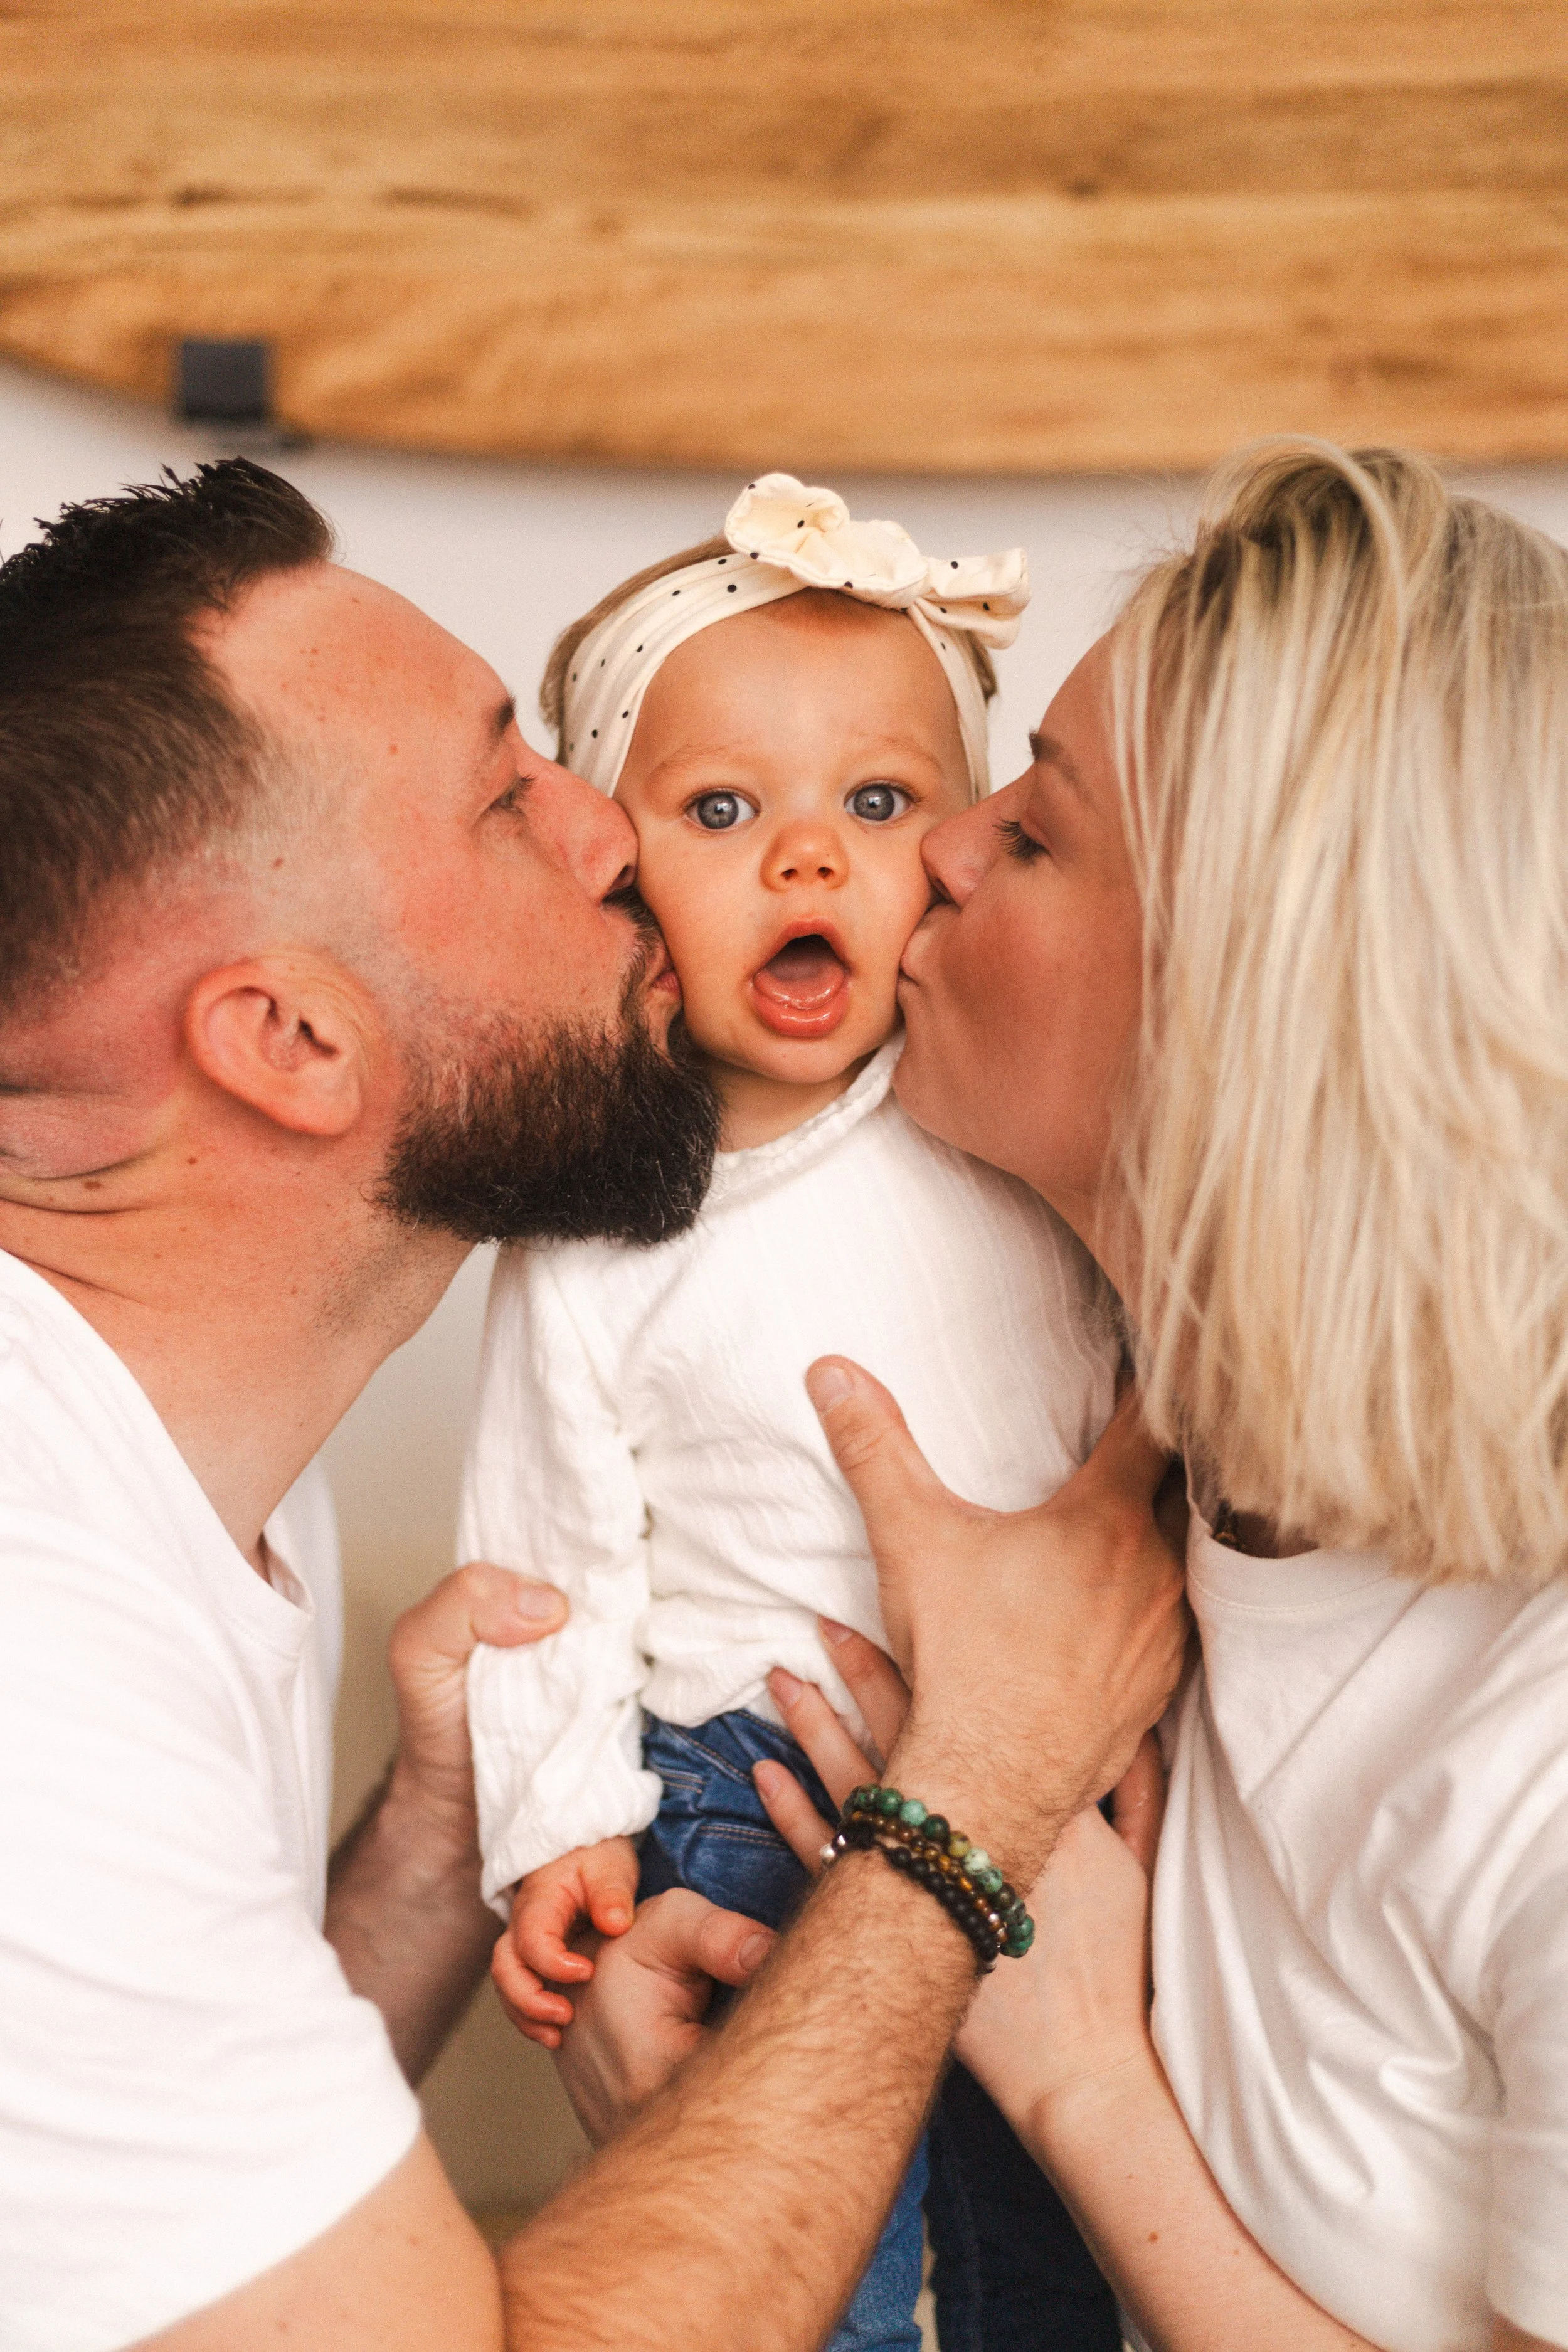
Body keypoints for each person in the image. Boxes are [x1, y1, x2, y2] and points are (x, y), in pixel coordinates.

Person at [0, 458, 1186, 2351]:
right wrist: (967, 1797)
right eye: (508, 793)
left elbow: (167, 2232)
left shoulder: (185, 1450)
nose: (610, 832)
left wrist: (436, 1842)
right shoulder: (34, 1660)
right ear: (288, 1040)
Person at [754, 442, 1568, 2352]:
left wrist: (1071, 2070)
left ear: (1251, 1001)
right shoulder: (1148, 1513)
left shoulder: (1535, 1745)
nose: (938, 848)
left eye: (1033, 832)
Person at [462, 475, 1121, 2350]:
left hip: (1035, 1767)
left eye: (881, 802)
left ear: (963, 848)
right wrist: (555, 1821)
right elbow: (545, 1560)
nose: (810, 861)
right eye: (726, 810)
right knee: (804, 2249)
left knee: (1040, 2241)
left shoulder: (1003, 1134)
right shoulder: (604, 1224)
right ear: (622, 866)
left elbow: (1117, 1440)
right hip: (741, 1794)